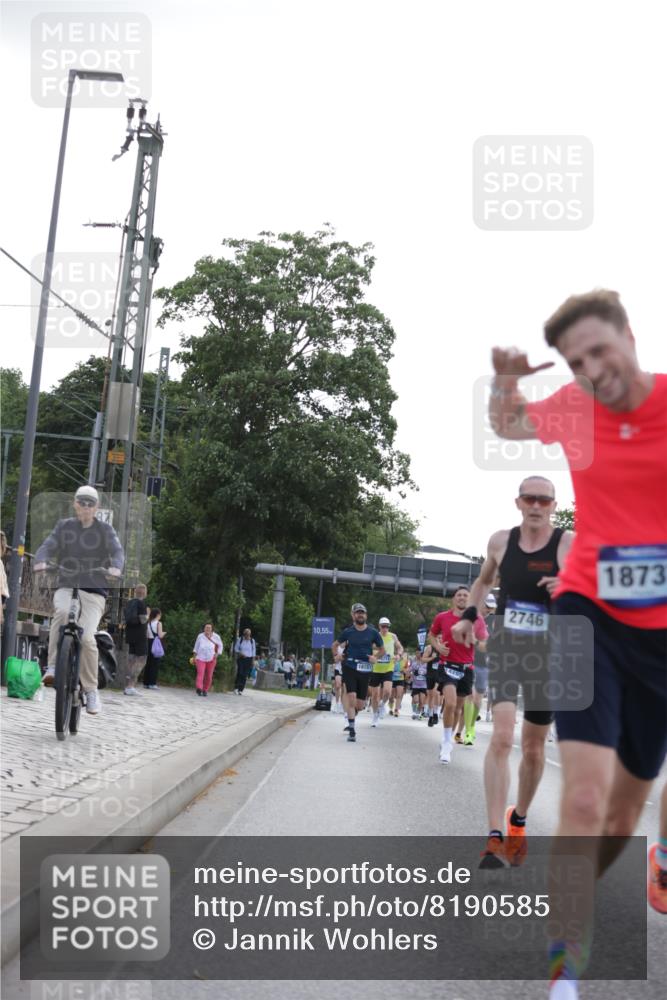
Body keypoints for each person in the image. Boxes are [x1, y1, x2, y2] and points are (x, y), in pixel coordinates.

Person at [489, 289, 666, 999]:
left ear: (628, 333)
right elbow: (506, 426)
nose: (594, 368)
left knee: (622, 818)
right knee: (585, 800)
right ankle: (566, 961)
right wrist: (505, 382)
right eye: (576, 361)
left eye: (601, 349)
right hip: (583, 611)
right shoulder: (573, 407)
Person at [452, 477, 573, 867]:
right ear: (518, 502)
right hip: (507, 648)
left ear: (554, 506)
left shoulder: (567, 544)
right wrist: (471, 615)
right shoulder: (500, 542)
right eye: (529, 498)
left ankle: (518, 819)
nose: (536, 505)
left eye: (544, 499)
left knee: (534, 748)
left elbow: (590, 589)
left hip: (548, 655)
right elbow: (484, 581)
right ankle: (494, 836)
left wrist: (570, 586)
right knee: (502, 737)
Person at [34, 485, 124, 715]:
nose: (85, 506)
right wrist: (42, 560)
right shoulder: (64, 527)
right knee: (62, 614)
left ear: (97, 507)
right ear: (74, 504)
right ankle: (53, 666)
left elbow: (117, 551)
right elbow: (48, 545)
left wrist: (115, 567)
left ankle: (91, 690)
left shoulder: (105, 530)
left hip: (94, 591)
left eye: (90, 503)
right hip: (66, 585)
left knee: (86, 636)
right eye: (81, 502)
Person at [428, 586, 488, 764]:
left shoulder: (477, 620)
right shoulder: (442, 617)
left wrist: (475, 641)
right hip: (447, 665)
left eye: (465, 595)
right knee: (451, 703)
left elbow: (485, 644)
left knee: (458, 708)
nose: (462, 598)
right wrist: (438, 647)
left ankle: (448, 737)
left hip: (466, 668)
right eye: (459, 595)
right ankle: (446, 742)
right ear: (454, 599)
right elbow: (432, 635)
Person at [331, 603, 385, 743]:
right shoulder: (348, 632)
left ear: (365, 615)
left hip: (365, 669)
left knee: (359, 705)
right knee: (351, 697)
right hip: (350, 667)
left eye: (362, 613)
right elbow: (335, 645)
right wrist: (336, 656)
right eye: (357, 613)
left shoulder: (373, 632)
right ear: (353, 615)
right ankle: (352, 730)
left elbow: (382, 650)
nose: (360, 615)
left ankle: (351, 715)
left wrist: (376, 658)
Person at [370, 617, 403, 726]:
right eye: (383, 626)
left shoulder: (392, 636)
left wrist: (398, 655)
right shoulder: (375, 636)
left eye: (387, 626)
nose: (385, 628)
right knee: (374, 695)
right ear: (379, 626)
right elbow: (368, 647)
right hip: (376, 669)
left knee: (388, 692)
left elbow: (400, 647)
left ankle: (382, 704)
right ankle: (375, 717)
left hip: (388, 668)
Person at [122, 583, 149, 696]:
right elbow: (143, 620)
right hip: (140, 635)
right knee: (142, 659)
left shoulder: (129, 602)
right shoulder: (141, 604)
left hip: (130, 634)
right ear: (144, 593)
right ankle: (131, 686)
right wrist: (147, 615)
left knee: (131, 659)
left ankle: (127, 685)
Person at [193, 622, 223, 696]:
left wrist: (217, 654)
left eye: (209, 628)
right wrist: (194, 657)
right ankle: (199, 688)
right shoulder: (200, 636)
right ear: (204, 628)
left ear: (212, 629)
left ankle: (205, 690)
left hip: (211, 658)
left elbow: (220, 646)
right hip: (200, 657)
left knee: (209, 676)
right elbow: (196, 647)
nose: (207, 629)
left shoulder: (216, 637)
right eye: (206, 627)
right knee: (200, 673)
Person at [143, 608, 166, 690]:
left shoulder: (148, 623)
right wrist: (164, 633)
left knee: (148, 663)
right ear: (158, 615)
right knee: (155, 664)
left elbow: (146, 635)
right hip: (156, 644)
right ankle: (152, 683)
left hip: (149, 643)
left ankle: (145, 682)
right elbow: (160, 635)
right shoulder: (159, 623)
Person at [234, 628, 256, 694]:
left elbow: (253, 651)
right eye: (246, 634)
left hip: (249, 659)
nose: (247, 636)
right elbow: (236, 648)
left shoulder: (252, 641)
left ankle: (241, 689)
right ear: (244, 634)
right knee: (240, 672)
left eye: (248, 634)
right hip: (241, 658)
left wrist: (253, 660)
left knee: (245, 674)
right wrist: (240, 653)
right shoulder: (240, 639)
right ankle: (236, 687)